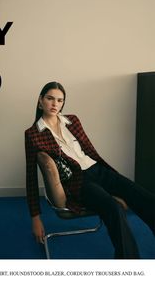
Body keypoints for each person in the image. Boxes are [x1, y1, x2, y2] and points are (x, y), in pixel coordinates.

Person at [25, 81, 155, 259]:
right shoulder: (33, 134)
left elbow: (88, 151)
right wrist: (35, 218)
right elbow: (30, 176)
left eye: (60, 100)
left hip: (97, 169)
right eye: (50, 98)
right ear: (40, 101)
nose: (55, 104)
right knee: (113, 208)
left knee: (142, 195)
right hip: (77, 181)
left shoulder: (72, 120)